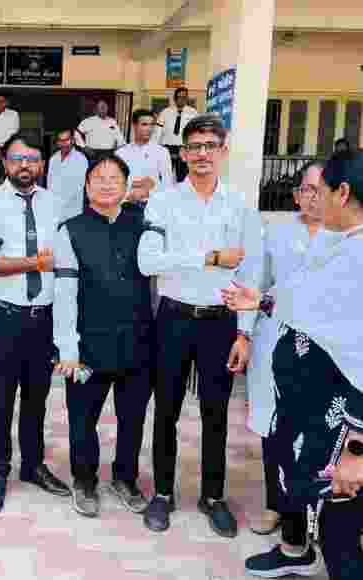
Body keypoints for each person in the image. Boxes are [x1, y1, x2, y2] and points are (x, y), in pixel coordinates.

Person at [222, 151, 363, 580]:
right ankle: (296, 550)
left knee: (340, 529)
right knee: (312, 502)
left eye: (321, 191)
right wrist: (261, 302)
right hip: (310, 410)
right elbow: (302, 292)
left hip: (345, 425)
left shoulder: (357, 254)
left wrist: (357, 448)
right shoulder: (339, 241)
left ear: (342, 193)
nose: (313, 200)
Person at [137, 114, 261, 538]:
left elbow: (250, 272)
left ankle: (213, 496)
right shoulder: (163, 201)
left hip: (220, 323)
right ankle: (162, 493)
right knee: (166, 410)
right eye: (194, 147)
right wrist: (209, 258)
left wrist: (245, 332)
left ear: (223, 151)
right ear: (183, 153)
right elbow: (148, 261)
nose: (202, 154)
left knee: (216, 413)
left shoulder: (240, 204)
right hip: (173, 318)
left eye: (210, 146)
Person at [0, 132, 71, 515]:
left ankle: (32, 465)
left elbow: (65, 260)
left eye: (31, 158)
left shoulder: (56, 205)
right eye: (17, 158)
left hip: (43, 318)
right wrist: (33, 263)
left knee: (36, 399)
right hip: (5, 317)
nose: (24, 165)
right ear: (5, 162)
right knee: (1, 399)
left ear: (42, 164)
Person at [53, 154, 153, 518]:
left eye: (115, 178)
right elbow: (64, 292)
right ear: (86, 185)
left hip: (138, 342)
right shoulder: (71, 230)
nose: (107, 184)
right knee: (83, 419)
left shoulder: (144, 224)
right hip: (87, 346)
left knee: (133, 418)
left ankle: (125, 478)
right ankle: (84, 479)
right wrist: (67, 347)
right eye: (99, 177)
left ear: (126, 186)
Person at [238, 163, 324, 577]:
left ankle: (314, 516)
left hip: (325, 351)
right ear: (295, 195)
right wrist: (244, 333)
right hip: (276, 342)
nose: (313, 197)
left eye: (321, 189)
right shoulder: (276, 232)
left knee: (320, 434)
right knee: (274, 427)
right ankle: (278, 505)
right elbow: (254, 284)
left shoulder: (347, 237)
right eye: (306, 189)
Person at [116, 109, 175, 203]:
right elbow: (116, 183)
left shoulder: (162, 152)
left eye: (152, 125)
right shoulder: (121, 153)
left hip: (154, 203)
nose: (149, 129)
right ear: (134, 126)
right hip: (126, 203)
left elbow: (168, 184)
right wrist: (130, 194)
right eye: (144, 124)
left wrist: (148, 193)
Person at [153, 87, 198, 182]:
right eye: (179, 97)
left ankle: (181, 191)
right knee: (164, 175)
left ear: (187, 98)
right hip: (167, 148)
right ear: (175, 98)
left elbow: (196, 132)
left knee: (182, 177)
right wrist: (155, 147)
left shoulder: (193, 113)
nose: (181, 99)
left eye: (184, 97)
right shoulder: (165, 112)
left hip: (184, 148)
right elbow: (157, 131)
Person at [46, 128, 89, 223]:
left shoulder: (81, 159)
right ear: (57, 142)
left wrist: (60, 202)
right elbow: (49, 183)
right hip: (54, 209)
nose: (64, 143)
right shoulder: (53, 159)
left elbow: (79, 186)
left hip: (72, 210)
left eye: (67, 140)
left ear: (73, 140)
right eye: (61, 140)